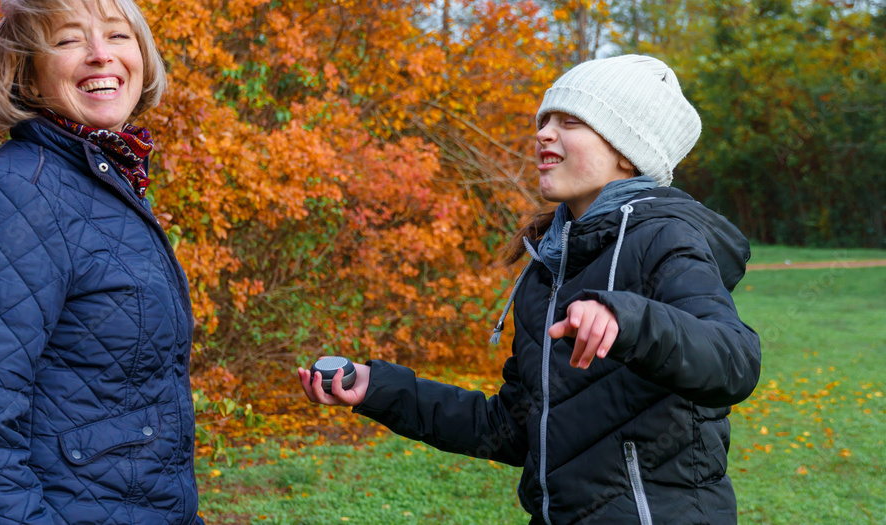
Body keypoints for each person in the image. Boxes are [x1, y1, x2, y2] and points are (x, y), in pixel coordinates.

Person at [299, 55, 762, 525]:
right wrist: (380, 389)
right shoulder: (547, 267)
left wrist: (627, 319)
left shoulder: (666, 238)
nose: (543, 134)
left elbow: (735, 360)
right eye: (544, 121)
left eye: (569, 122)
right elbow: (512, 427)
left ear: (627, 151)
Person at [0, 0, 205, 524]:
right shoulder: (18, 196)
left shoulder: (103, 183)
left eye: (117, 35)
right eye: (70, 40)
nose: (101, 54)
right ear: (28, 77)